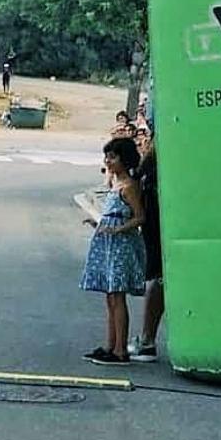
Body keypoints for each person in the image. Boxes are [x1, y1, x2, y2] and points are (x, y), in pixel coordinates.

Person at [80, 136, 146, 365]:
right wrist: (97, 223)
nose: (108, 161)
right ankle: (111, 345)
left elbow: (140, 217)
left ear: (123, 159)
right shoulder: (114, 184)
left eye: (113, 157)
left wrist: (119, 230)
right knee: (110, 297)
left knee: (117, 297)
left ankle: (120, 350)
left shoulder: (128, 186)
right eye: (106, 157)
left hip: (121, 246)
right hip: (108, 243)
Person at [130, 127, 163, 362]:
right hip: (160, 220)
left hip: (157, 221)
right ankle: (147, 339)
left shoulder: (158, 154)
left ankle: (147, 340)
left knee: (159, 278)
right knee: (160, 278)